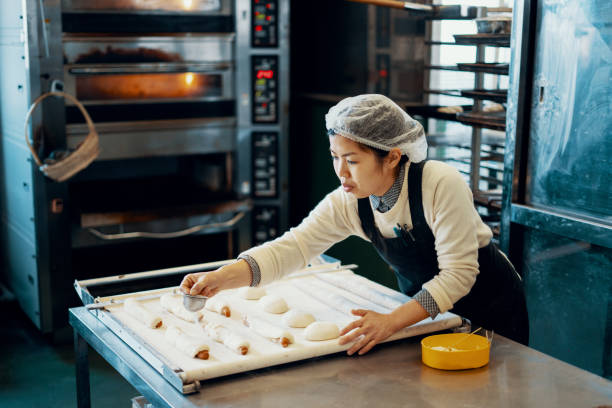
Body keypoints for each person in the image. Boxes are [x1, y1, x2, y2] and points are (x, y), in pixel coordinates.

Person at [180, 94, 529, 355]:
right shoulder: (351, 201)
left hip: (492, 315)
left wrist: (391, 320)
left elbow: (459, 275)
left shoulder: (439, 183)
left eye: (352, 160)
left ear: (392, 156)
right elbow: (295, 247)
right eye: (335, 157)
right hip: (427, 317)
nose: (341, 172)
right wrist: (220, 278)